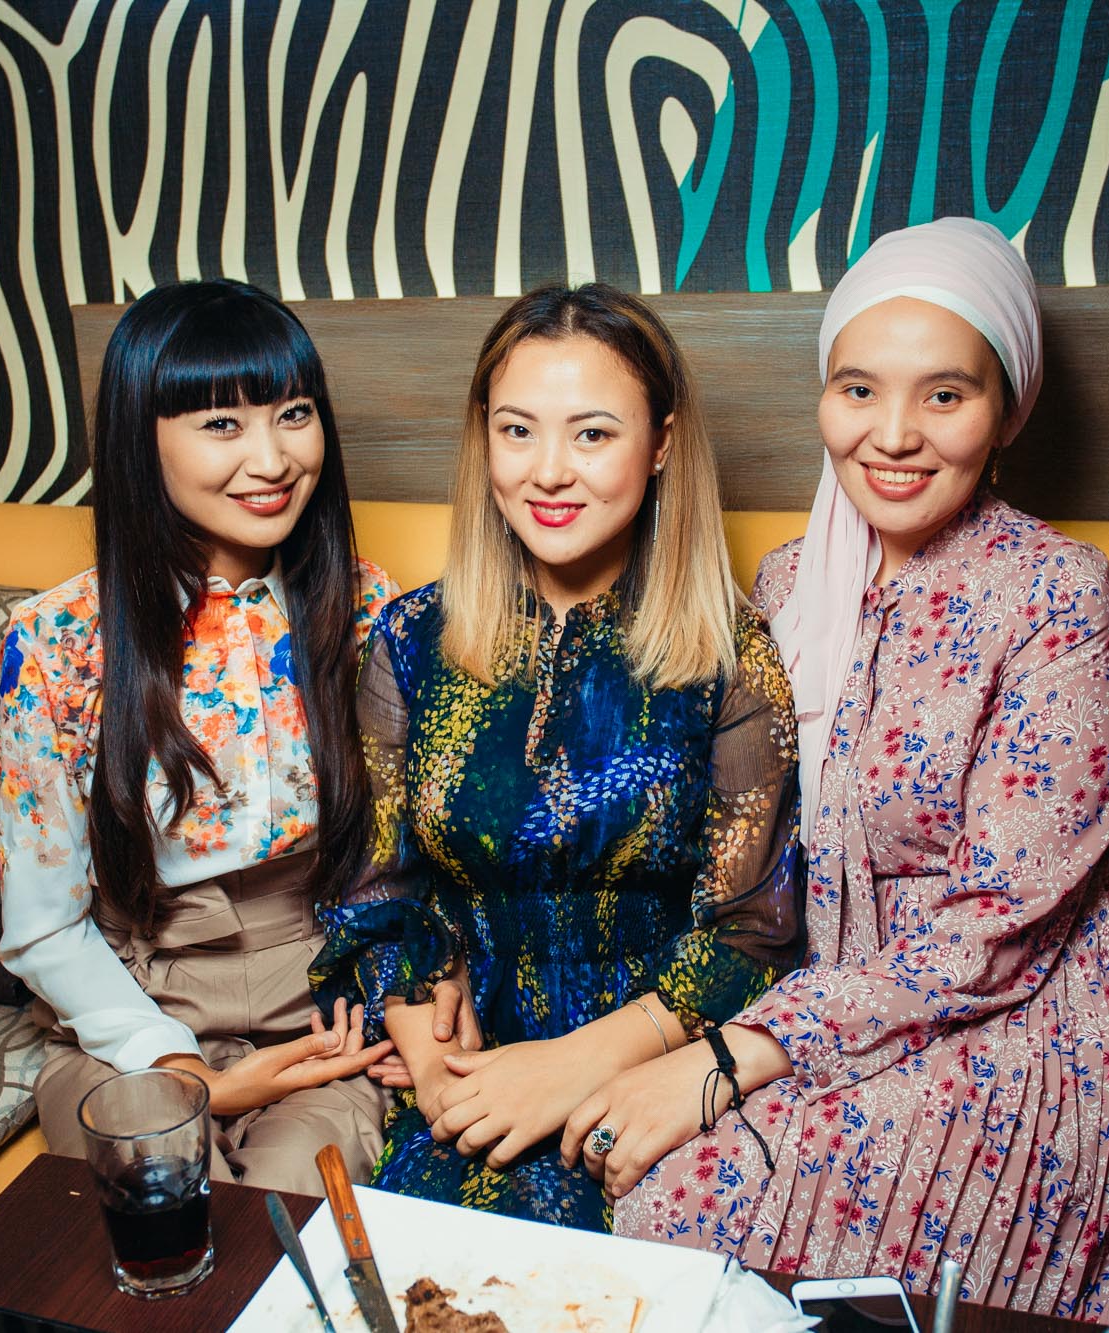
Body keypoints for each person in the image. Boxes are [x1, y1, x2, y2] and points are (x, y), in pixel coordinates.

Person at [564, 220, 1109, 1331]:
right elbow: (734, 834)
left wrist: (724, 1059)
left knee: (688, 1197)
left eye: (944, 395)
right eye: (857, 388)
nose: (893, 434)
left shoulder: (1057, 593)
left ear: (1007, 414)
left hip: (1051, 995)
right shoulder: (788, 582)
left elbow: (999, 921)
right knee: (618, 1173)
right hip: (844, 989)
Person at [310, 283, 803, 1231]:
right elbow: (375, 891)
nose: (548, 472)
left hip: (652, 1073)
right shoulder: (411, 638)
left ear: (660, 444)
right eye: (517, 430)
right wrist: (432, 1062)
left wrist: (572, 1066)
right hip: (463, 1067)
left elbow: (758, 934)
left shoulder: (731, 655)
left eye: (592, 434)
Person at [0, 279, 429, 1195]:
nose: (271, 459)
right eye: (222, 424)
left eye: (294, 414)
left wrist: (415, 997)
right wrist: (185, 1068)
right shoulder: (58, 639)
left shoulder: (369, 607)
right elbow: (43, 929)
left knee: (287, 1213)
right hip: (131, 1011)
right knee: (161, 1193)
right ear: (140, 438)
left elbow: (407, 856)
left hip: (320, 1007)